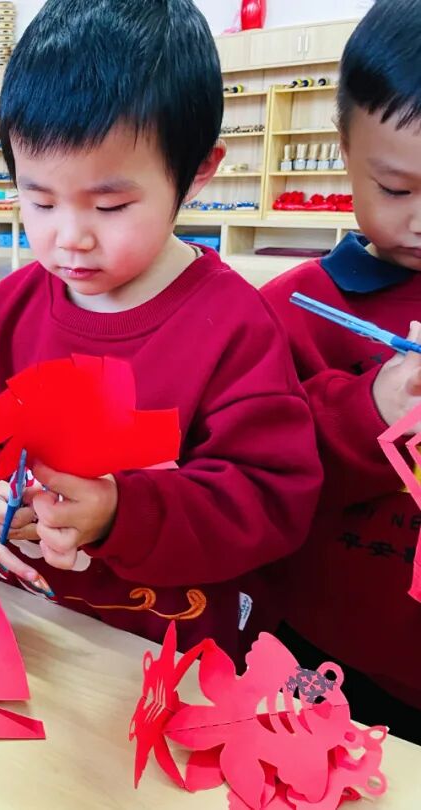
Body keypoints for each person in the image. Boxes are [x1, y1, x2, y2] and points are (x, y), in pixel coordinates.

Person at [0, 0, 322, 660]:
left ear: (195, 174)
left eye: (110, 205)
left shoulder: (236, 331)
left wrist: (119, 512)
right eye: (40, 199)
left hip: (168, 656)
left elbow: (269, 499)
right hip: (23, 631)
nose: (69, 237)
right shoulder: (3, 316)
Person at [261, 0, 421, 742]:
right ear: (344, 151)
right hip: (320, 648)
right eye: (397, 189)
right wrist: (372, 409)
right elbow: (259, 466)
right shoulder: (295, 309)